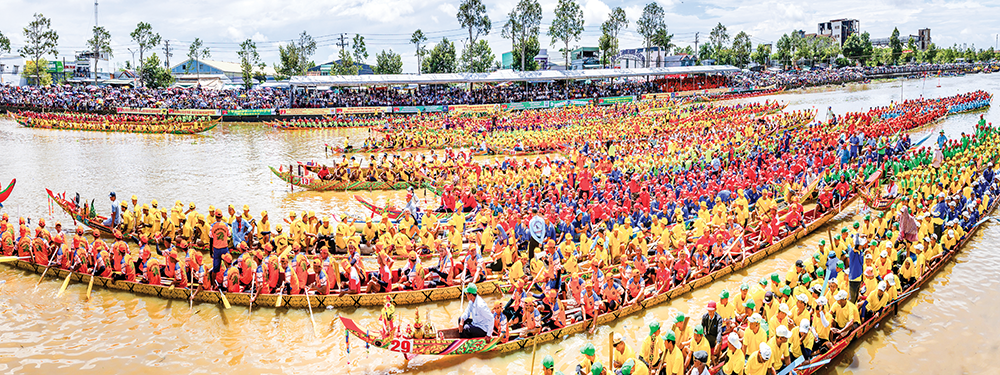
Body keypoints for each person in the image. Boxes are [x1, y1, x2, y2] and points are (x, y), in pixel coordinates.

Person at [209, 210, 231, 285]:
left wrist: (210, 252)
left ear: (215, 217)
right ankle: (229, 283)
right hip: (224, 248)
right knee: (228, 266)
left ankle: (213, 284)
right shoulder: (226, 225)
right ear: (221, 217)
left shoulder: (212, 226)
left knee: (215, 269)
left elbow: (211, 238)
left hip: (216, 249)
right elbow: (229, 235)